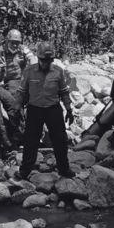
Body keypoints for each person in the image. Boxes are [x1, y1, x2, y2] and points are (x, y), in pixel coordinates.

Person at [18, 42, 74, 179]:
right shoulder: (29, 71)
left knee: (60, 141)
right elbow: (22, 92)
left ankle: (64, 169)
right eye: (43, 60)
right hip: (34, 109)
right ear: (38, 58)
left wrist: (69, 109)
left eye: (49, 60)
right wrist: (18, 108)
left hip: (53, 109)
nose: (46, 63)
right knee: (30, 141)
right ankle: (25, 171)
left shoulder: (58, 71)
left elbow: (64, 92)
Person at [0, 29, 36, 135]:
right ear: (7, 41)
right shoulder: (0, 51)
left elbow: (32, 59)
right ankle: (19, 129)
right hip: (8, 81)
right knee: (16, 97)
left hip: (22, 79)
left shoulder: (22, 49)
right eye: (12, 42)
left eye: (17, 42)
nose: (15, 45)